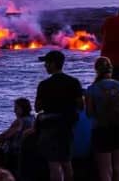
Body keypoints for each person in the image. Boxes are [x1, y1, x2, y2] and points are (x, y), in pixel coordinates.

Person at [35, 50, 84, 181]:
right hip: (67, 126)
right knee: (67, 162)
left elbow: (37, 108)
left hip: (49, 126)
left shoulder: (44, 84)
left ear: (53, 64)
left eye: (46, 63)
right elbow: (80, 105)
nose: (45, 66)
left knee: (54, 164)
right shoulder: (74, 82)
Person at [85, 56, 119, 181]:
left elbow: (89, 113)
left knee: (105, 170)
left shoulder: (92, 89)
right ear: (111, 69)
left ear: (97, 70)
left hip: (101, 130)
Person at [0, 98, 34, 173]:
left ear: (22, 109)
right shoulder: (33, 119)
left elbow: (4, 136)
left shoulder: (20, 121)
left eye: (16, 108)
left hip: (12, 155)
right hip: (25, 153)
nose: (14, 111)